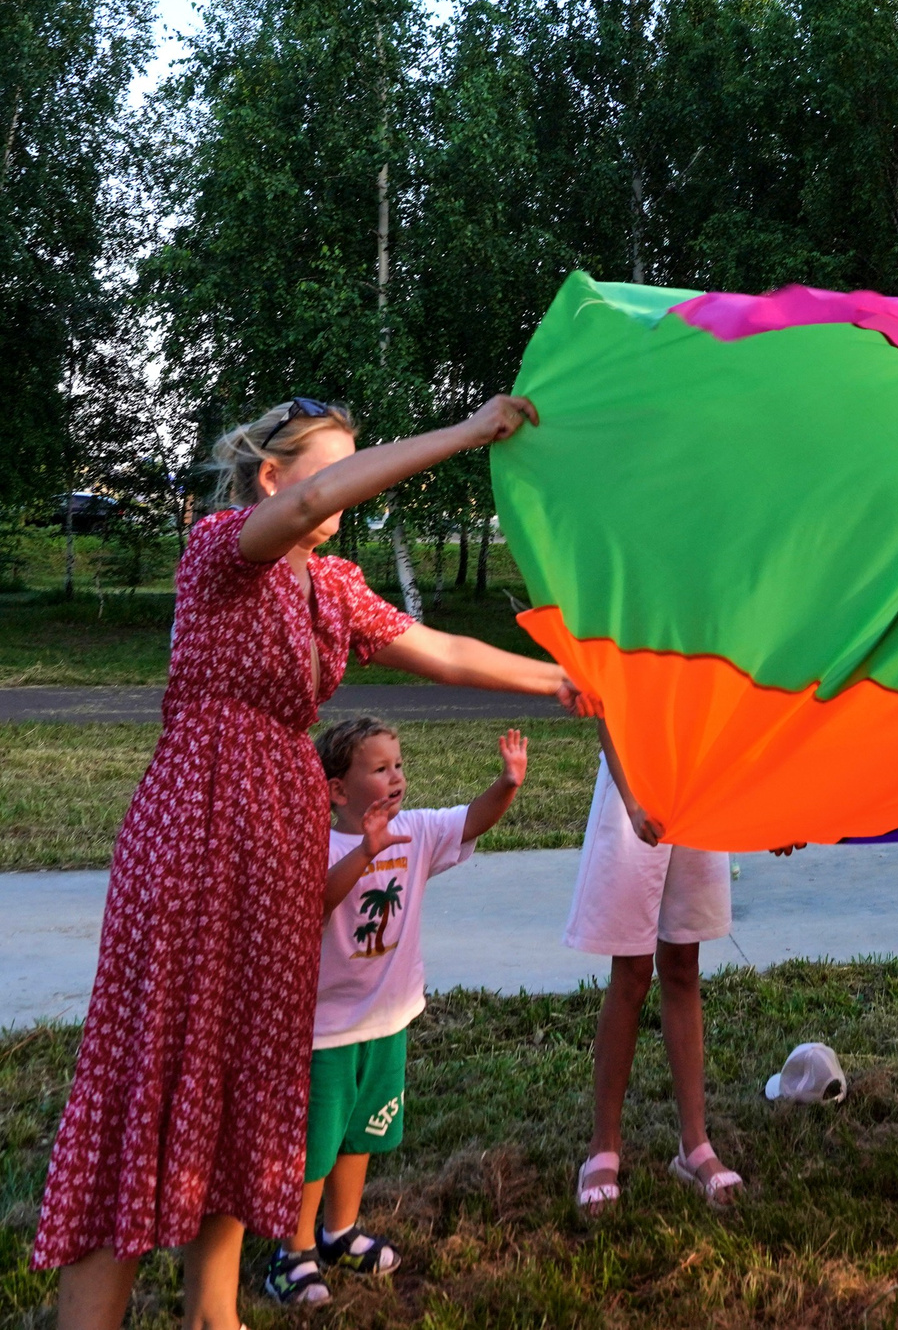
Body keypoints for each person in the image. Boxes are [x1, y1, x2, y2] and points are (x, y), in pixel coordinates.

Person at [36, 395, 577, 1330]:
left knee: (248, 1070)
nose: (341, 495)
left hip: (275, 836)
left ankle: (216, 1313)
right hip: (198, 840)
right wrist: (462, 432)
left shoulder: (328, 586)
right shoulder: (222, 551)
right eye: (329, 474)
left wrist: (561, 678)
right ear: (276, 477)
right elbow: (307, 504)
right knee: (155, 1068)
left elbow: (439, 648)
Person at [265, 719, 527, 1307]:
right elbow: (314, 904)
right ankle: (293, 1252)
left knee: (360, 1134)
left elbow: (471, 819)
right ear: (337, 790)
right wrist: (365, 852)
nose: (396, 777)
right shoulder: (316, 842)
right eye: (379, 768)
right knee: (315, 1143)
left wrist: (507, 783)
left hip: (387, 1019)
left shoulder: (415, 832)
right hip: (325, 1028)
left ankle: (340, 1232)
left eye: (399, 765)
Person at [566, 727, 742, 1214]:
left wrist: (764, 819)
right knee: (632, 969)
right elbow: (607, 704)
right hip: (636, 785)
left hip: (701, 784)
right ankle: (603, 1148)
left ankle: (694, 1145)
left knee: (684, 963)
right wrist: (631, 800)